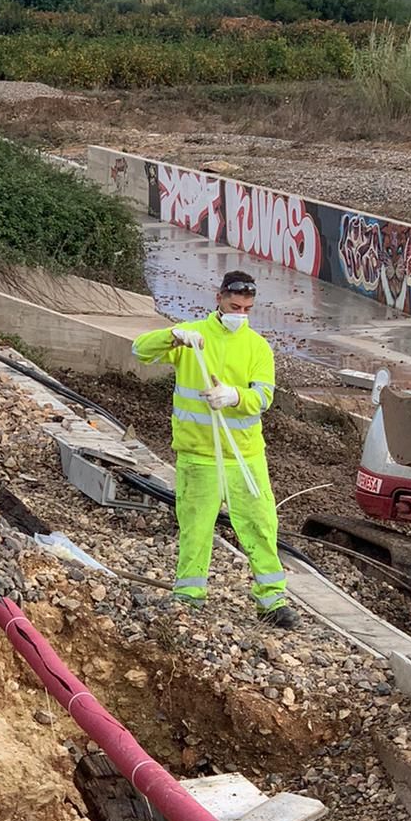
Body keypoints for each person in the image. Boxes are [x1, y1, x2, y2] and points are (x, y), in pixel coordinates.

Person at [132, 269, 297, 629]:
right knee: (195, 526)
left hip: (245, 455)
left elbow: (263, 397)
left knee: (259, 525)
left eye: (247, 309)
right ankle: (189, 595)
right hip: (198, 455)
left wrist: (235, 395)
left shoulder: (257, 347)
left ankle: (272, 600)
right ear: (219, 298)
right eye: (235, 305)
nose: (240, 314)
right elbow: (140, 350)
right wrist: (172, 336)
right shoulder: (193, 338)